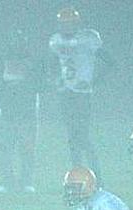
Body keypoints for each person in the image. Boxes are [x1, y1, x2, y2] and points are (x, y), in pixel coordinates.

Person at [48, 7, 112, 182]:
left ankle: (96, 177)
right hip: (66, 95)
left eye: (69, 23)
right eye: (63, 24)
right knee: (72, 138)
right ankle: (77, 176)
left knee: (82, 138)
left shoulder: (88, 39)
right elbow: (52, 63)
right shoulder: (55, 41)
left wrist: (94, 82)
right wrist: (56, 80)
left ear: (76, 23)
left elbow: (109, 62)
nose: (66, 27)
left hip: (82, 95)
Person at [0, 29, 44, 194]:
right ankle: (7, 183)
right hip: (7, 112)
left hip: (27, 111)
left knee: (27, 148)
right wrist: (5, 83)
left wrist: (26, 82)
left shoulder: (33, 61)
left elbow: (42, 84)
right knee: (5, 149)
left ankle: (26, 182)